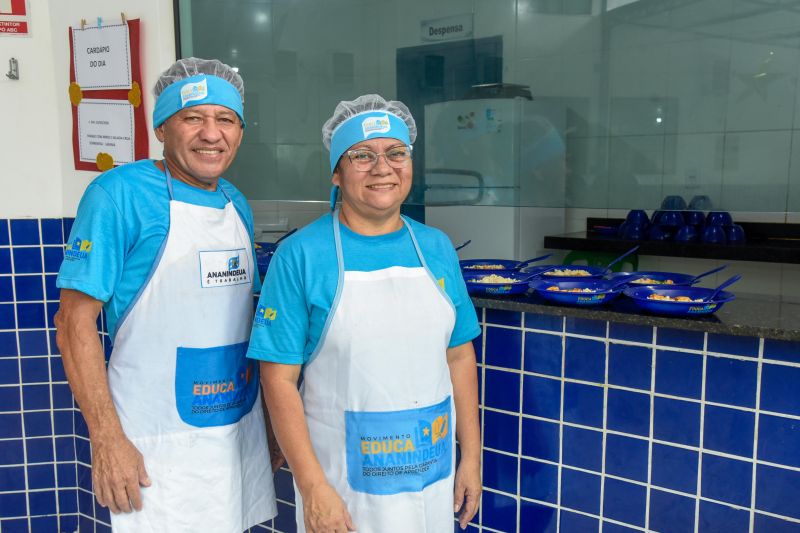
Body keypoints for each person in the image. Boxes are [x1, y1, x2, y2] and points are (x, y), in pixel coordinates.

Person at [54, 58, 277, 532]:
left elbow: (244, 324)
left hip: (234, 432)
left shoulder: (236, 203)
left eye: (226, 120)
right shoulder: (118, 195)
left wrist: (271, 428)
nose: (211, 134)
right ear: (162, 126)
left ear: (240, 132)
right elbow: (73, 323)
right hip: (156, 444)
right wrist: (107, 438)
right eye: (193, 118)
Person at [247, 94, 482, 532]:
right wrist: (313, 487)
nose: (382, 167)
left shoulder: (435, 247)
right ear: (336, 173)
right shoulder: (300, 256)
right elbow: (278, 380)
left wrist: (471, 457)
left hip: (430, 478)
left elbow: (459, 355)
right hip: (345, 490)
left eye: (397, 153)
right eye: (361, 155)